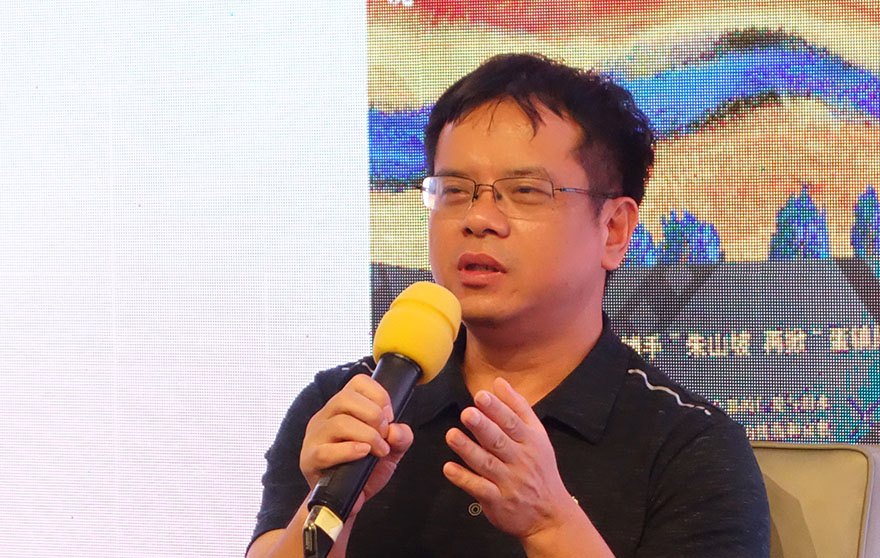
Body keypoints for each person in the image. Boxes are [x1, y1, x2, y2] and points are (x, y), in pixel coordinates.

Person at [247, 53, 770, 558]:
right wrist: (328, 507)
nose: (478, 219)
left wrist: (550, 523)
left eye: (524, 191)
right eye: (454, 190)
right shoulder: (347, 405)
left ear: (614, 229)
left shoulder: (690, 447)